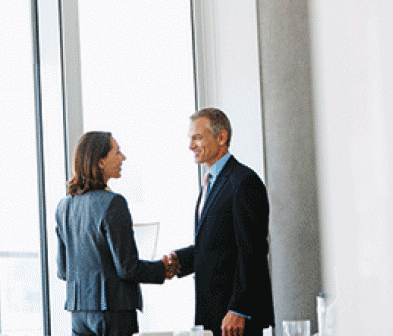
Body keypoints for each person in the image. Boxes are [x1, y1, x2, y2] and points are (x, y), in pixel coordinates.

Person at [56, 131, 179, 336]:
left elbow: (63, 271)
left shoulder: (63, 207)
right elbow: (127, 268)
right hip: (113, 311)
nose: (123, 158)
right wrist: (162, 269)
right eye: (117, 152)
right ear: (101, 161)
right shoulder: (113, 203)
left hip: (78, 313)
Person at [167, 108, 275, 336]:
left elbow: (252, 250)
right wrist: (179, 260)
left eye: (197, 137)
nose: (191, 146)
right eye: (190, 138)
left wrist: (240, 308)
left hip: (234, 317)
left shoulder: (243, 181)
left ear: (221, 137)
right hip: (212, 313)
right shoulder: (210, 183)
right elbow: (216, 245)